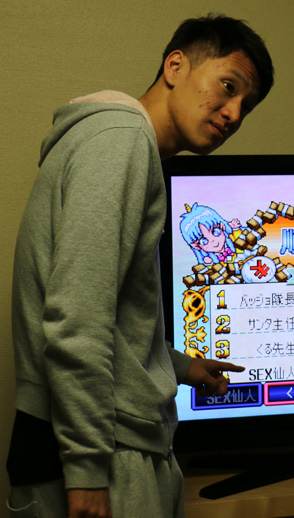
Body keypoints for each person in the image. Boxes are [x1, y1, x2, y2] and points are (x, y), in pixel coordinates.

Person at [7, 14, 274, 518]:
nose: (234, 113)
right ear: (175, 66)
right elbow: (76, 321)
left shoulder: (115, 140)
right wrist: (87, 471)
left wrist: (178, 366)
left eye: (247, 105)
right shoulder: (121, 141)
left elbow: (106, 310)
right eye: (228, 86)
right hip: (104, 449)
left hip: (84, 438)